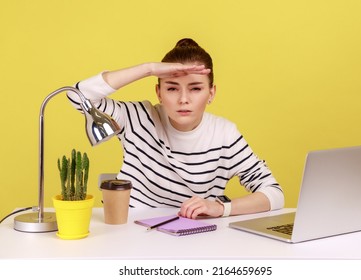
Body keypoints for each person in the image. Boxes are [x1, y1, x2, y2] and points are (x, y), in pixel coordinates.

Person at [67, 38, 284, 219]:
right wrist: (149, 69)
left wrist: (221, 208)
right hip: (133, 231)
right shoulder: (139, 118)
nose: (183, 99)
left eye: (196, 88)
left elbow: (274, 194)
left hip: (195, 235)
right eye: (172, 88)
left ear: (211, 93)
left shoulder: (225, 134)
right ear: (159, 92)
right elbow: (78, 95)